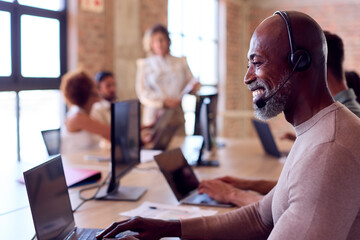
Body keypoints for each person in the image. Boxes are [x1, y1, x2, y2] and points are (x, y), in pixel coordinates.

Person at [96, 11, 360, 239]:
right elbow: (259, 217)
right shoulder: (315, 129)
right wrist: (169, 229)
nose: (247, 77)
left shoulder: (329, 149)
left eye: (257, 63)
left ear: (298, 63)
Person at [197, 30, 360, 207]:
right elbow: (299, 190)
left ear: (312, 67)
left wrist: (233, 195)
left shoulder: (344, 126)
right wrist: (248, 184)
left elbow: (298, 207)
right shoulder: (331, 118)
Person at [135, 23, 200, 137]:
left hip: (176, 115)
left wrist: (194, 88)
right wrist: (163, 101)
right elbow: (142, 92)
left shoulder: (181, 62)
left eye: (162, 40)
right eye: (156, 41)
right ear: (151, 43)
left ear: (168, 41)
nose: (159, 44)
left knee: (178, 150)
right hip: (155, 116)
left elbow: (191, 84)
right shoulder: (145, 64)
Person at [60, 69, 111, 154]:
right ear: (89, 92)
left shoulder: (87, 114)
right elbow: (112, 133)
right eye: (95, 86)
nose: (98, 90)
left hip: (87, 162)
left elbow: (110, 136)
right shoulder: (77, 117)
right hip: (76, 165)